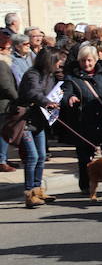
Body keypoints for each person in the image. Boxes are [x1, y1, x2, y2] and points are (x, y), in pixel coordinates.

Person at [61, 45, 102, 194]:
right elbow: (65, 92)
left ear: (95, 60)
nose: (86, 64)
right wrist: (70, 97)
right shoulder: (72, 77)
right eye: (82, 61)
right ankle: (86, 185)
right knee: (84, 157)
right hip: (84, 122)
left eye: (89, 60)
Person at [16, 47, 66, 208]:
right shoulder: (33, 74)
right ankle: (29, 193)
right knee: (32, 157)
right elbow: (33, 93)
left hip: (39, 121)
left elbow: (51, 91)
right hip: (26, 121)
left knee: (42, 156)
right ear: (49, 60)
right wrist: (46, 102)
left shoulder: (49, 76)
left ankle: (38, 189)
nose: (60, 63)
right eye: (57, 60)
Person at [0, 33, 17, 172]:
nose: (10, 51)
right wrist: (17, 98)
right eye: (8, 48)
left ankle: (3, 158)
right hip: (3, 105)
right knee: (3, 133)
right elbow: (6, 86)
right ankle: (1, 160)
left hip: (5, 104)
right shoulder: (1, 64)